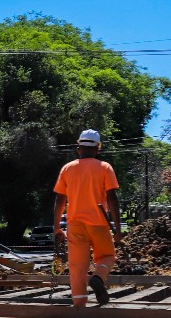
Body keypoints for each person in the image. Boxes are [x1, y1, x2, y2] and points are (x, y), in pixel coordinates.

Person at [52, 129, 121, 307]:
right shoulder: (105, 168)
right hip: (99, 222)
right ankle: (98, 276)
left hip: (74, 224)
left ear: (78, 148)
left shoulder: (67, 169)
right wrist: (118, 229)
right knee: (107, 256)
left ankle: (79, 305)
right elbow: (113, 198)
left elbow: (60, 200)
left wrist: (57, 227)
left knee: (77, 267)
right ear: (98, 148)